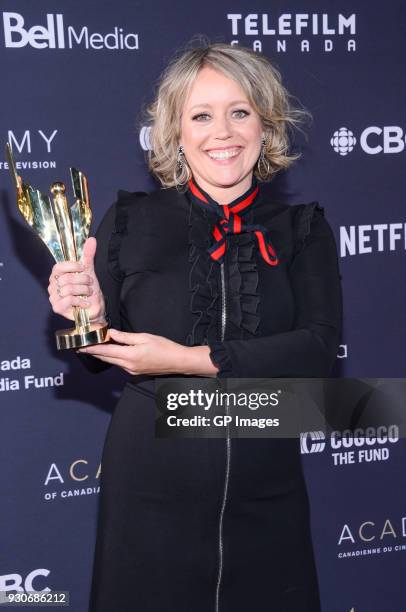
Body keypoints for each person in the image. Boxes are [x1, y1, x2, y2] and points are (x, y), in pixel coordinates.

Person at [48, 43, 342, 612]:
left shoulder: (304, 228)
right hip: (151, 485)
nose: (222, 132)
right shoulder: (131, 220)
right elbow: (96, 350)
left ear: (267, 124)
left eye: (240, 112)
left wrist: (187, 360)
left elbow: (317, 352)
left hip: (267, 488)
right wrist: (90, 314)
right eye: (200, 116)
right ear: (175, 134)